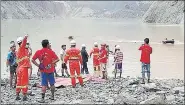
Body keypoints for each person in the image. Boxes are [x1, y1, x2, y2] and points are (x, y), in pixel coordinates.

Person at [16, 35, 31, 101]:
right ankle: (24, 95)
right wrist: (25, 37)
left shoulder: (21, 50)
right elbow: (24, 43)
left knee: (19, 82)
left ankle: (17, 95)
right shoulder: (21, 48)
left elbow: (20, 60)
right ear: (21, 43)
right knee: (24, 82)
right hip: (23, 68)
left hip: (19, 68)